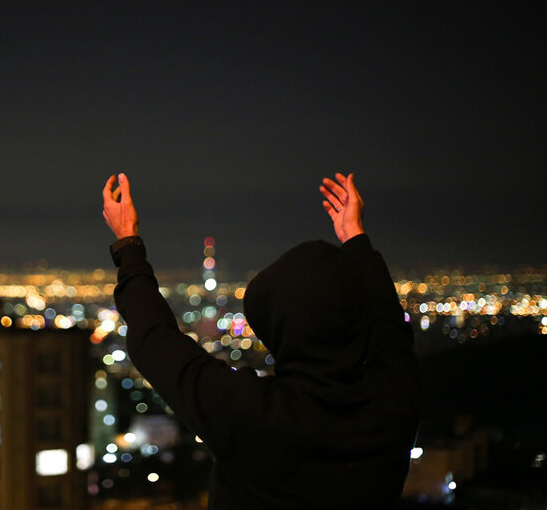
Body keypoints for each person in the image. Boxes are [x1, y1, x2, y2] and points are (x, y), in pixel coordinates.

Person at [102, 172, 421, 509]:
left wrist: (128, 242)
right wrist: (355, 238)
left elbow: (156, 340)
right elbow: (388, 321)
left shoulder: (253, 414)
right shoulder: (396, 397)